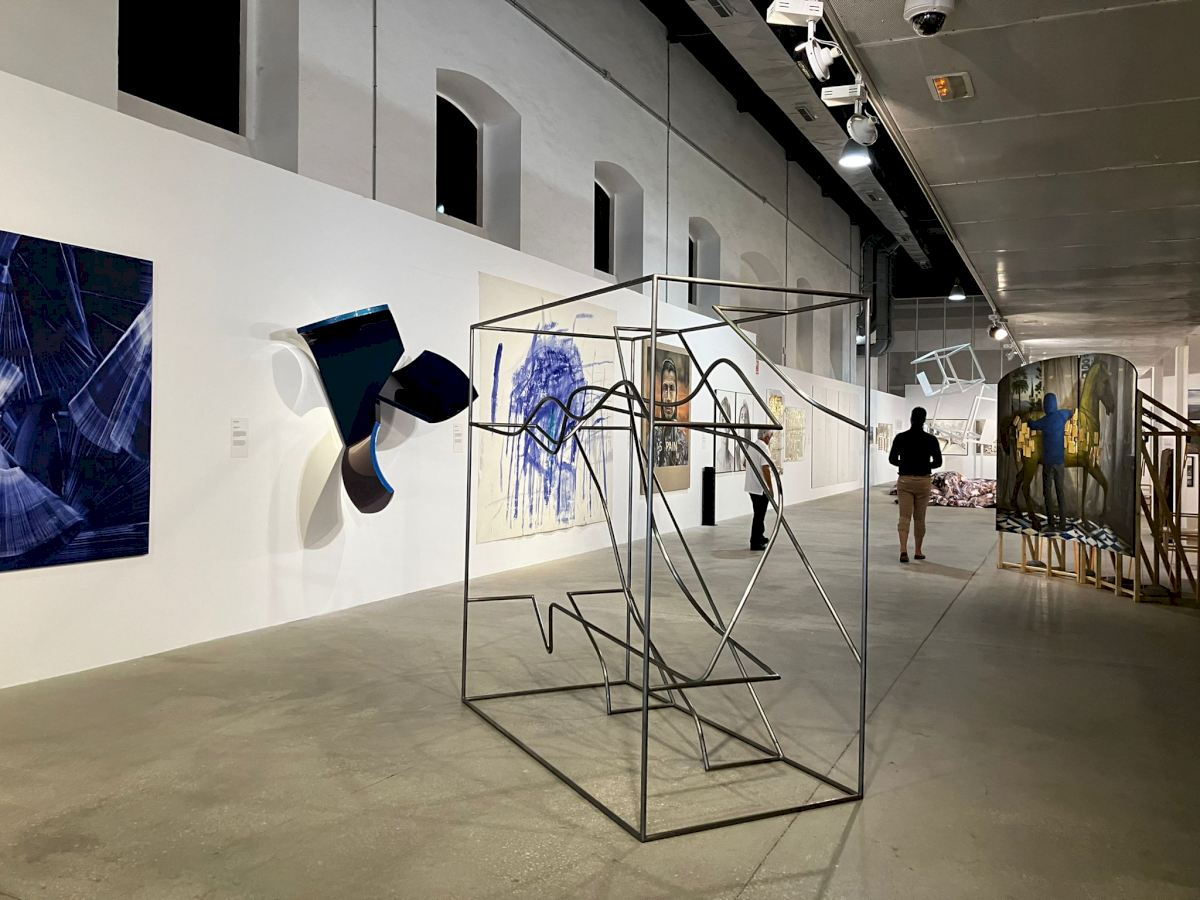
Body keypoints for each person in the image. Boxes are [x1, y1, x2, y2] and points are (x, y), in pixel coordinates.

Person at [888, 407, 943, 563]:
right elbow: (938, 462)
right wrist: (923, 465)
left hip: (905, 480)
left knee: (904, 516)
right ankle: (918, 551)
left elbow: (892, 459)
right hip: (923, 481)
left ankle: (903, 550)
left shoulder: (901, 437)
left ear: (911, 419)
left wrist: (905, 464)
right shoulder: (931, 439)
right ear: (924, 420)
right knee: (920, 518)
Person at [1027, 392, 1074, 532]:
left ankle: (1051, 524)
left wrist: (1029, 419)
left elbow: (1032, 425)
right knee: (1060, 492)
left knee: (1047, 493)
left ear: (1045, 406)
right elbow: (1071, 413)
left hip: (1048, 463)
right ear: (1056, 403)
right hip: (1060, 462)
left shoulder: (1044, 421)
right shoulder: (1062, 415)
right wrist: (1070, 412)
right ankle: (1063, 524)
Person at [744, 429, 774, 551]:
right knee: (759, 515)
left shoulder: (752, 446)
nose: (770, 440)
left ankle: (759, 537)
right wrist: (770, 488)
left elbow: (744, 464)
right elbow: (766, 468)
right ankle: (755, 542)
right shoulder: (764, 447)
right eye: (770, 437)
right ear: (766, 437)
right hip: (760, 488)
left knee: (758, 514)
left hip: (751, 486)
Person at [654, 357, 688, 467]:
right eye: (665, 388)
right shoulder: (653, 437)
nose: (668, 398)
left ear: (677, 392)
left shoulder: (682, 439)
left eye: (672, 388)